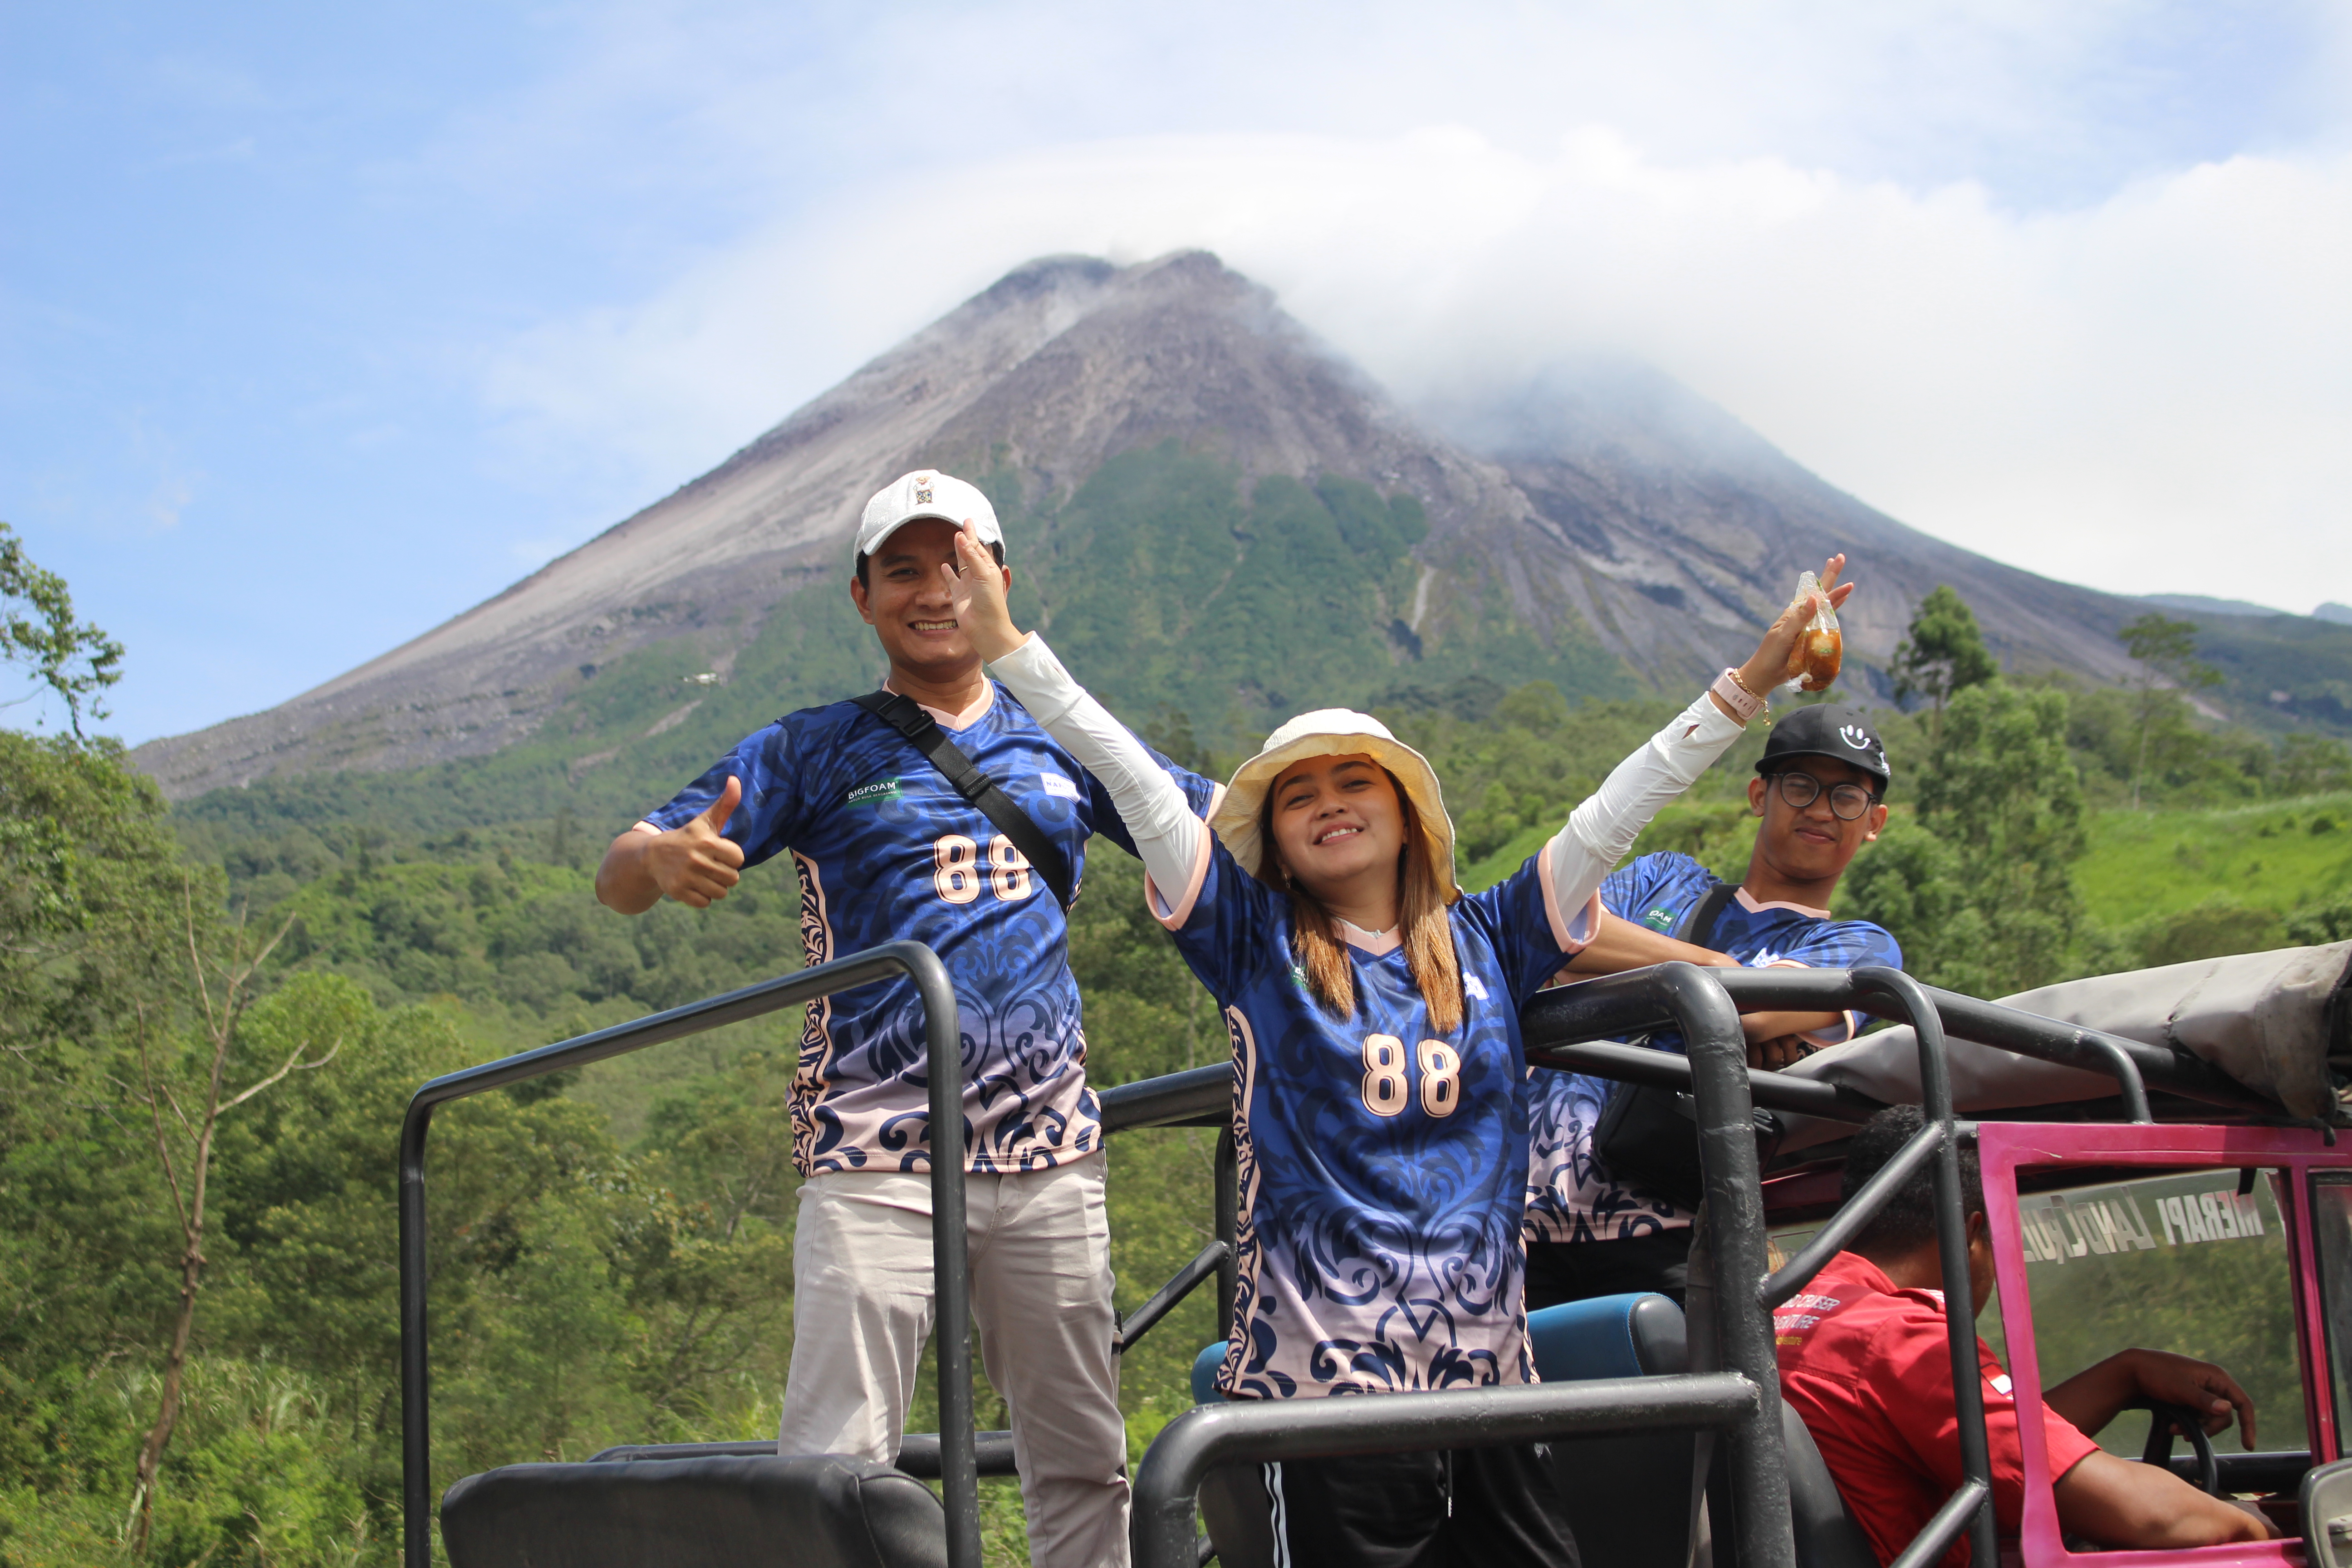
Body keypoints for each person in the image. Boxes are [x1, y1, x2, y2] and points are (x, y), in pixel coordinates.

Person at [946, 516, 1854, 1567]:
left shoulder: (1493, 935)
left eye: (1352, 781)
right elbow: (1135, 782)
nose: (1327, 803)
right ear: (1273, 834)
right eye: (1297, 792)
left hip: (1489, 1393)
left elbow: (1615, 809)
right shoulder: (1251, 939)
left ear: (1406, 810)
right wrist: (1010, 647)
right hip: (1321, 1403)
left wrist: (1746, 682)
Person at [593, 470, 1214, 1568]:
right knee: (835, 1464)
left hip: (1049, 1152)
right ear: (862, 596)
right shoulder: (815, 746)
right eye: (903, 569)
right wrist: (660, 857)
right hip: (873, 1152)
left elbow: (1218, 829)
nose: (933, 590)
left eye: (956, 562)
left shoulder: (1063, 736)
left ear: (1000, 579)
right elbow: (622, 868)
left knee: (1080, 1455)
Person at [1523, 703, 1903, 1308]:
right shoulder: (1665, 879)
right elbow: (1558, 934)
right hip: (1525, 1230)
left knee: (1696, 1398)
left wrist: (1640, 966)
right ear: (1761, 795)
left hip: (1677, 1233)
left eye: (1846, 797)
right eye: (1800, 786)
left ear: (1875, 821)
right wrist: (1721, 973)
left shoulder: (1858, 947)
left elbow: (1753, 1015)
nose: (1820, 810)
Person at [1776, 1104, 2276, 1564]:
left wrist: (2127, 1374)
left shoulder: (1795, 1312)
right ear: (1972, 1235)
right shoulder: (1900, 1338)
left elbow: (1991, 1446)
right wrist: (2253, 1527)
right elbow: (2144, 1515)